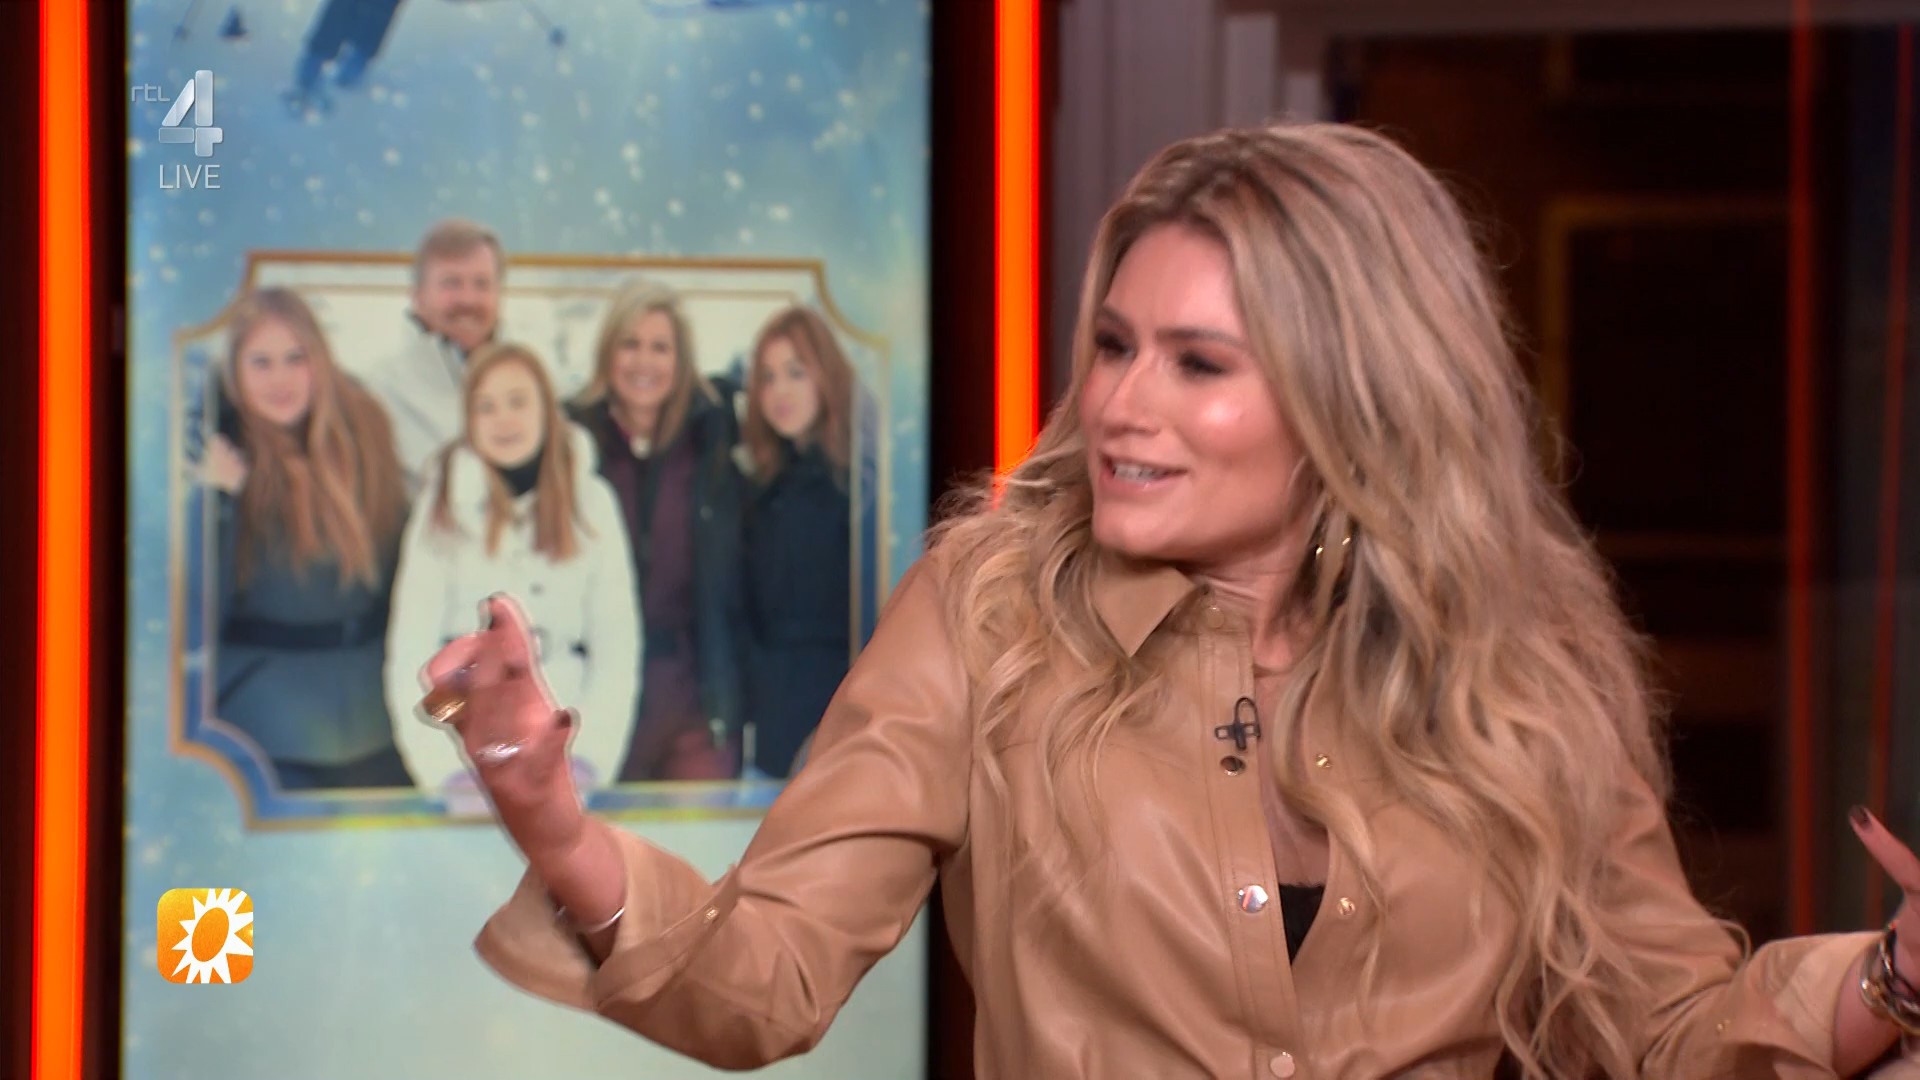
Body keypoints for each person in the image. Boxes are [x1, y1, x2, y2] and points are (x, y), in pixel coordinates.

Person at [410, 124, 1920, 1078]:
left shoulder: (1514, 657)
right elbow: (766, 981)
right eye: (1116, 344)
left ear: (1354, 398)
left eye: (1199, 364)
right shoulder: (993, 610)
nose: (1121, 404)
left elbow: (1672, 1031)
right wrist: (555, 824)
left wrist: (1897, 975)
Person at [384, 343, 639, 804]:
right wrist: (445, 773)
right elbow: (410, 651)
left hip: (565, 750)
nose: (503, 419)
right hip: (466, 752)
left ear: (547, 409)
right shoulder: (440, 506)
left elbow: (617, 647)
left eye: (518, 402)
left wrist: (588, 760)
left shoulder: (593, 502)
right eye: (486, 407)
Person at [200, 286, 411, 790]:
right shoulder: (219, 448)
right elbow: (201, 608)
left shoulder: (364, 434)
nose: (281, 379)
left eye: (296, 358)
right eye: (261, 363)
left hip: (373, 710)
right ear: (235, 372)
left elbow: (399, 571)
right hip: (261, 716)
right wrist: (219, 503)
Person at [566, 280, 744, 783]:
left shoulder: (713, 440)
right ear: (608, 353)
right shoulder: (572, 442)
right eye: (630, 344)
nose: (644, 361)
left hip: (693, 694)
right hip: (596, 695)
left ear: (680, 360)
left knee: (700, 834)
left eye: (660, 347)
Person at [736, 305, 861, 778]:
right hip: (774, 725)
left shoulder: (860, 483)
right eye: (767, 378)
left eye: (795, 372)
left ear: (825, 375)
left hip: (841, 715)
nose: (779, 391)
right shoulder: (764, 487)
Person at [364, 218, 506, 496]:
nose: (468, 299)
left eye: (482, 284)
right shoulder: (378, 394)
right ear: (417, 296)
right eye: (451, 283)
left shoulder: (539, 386)